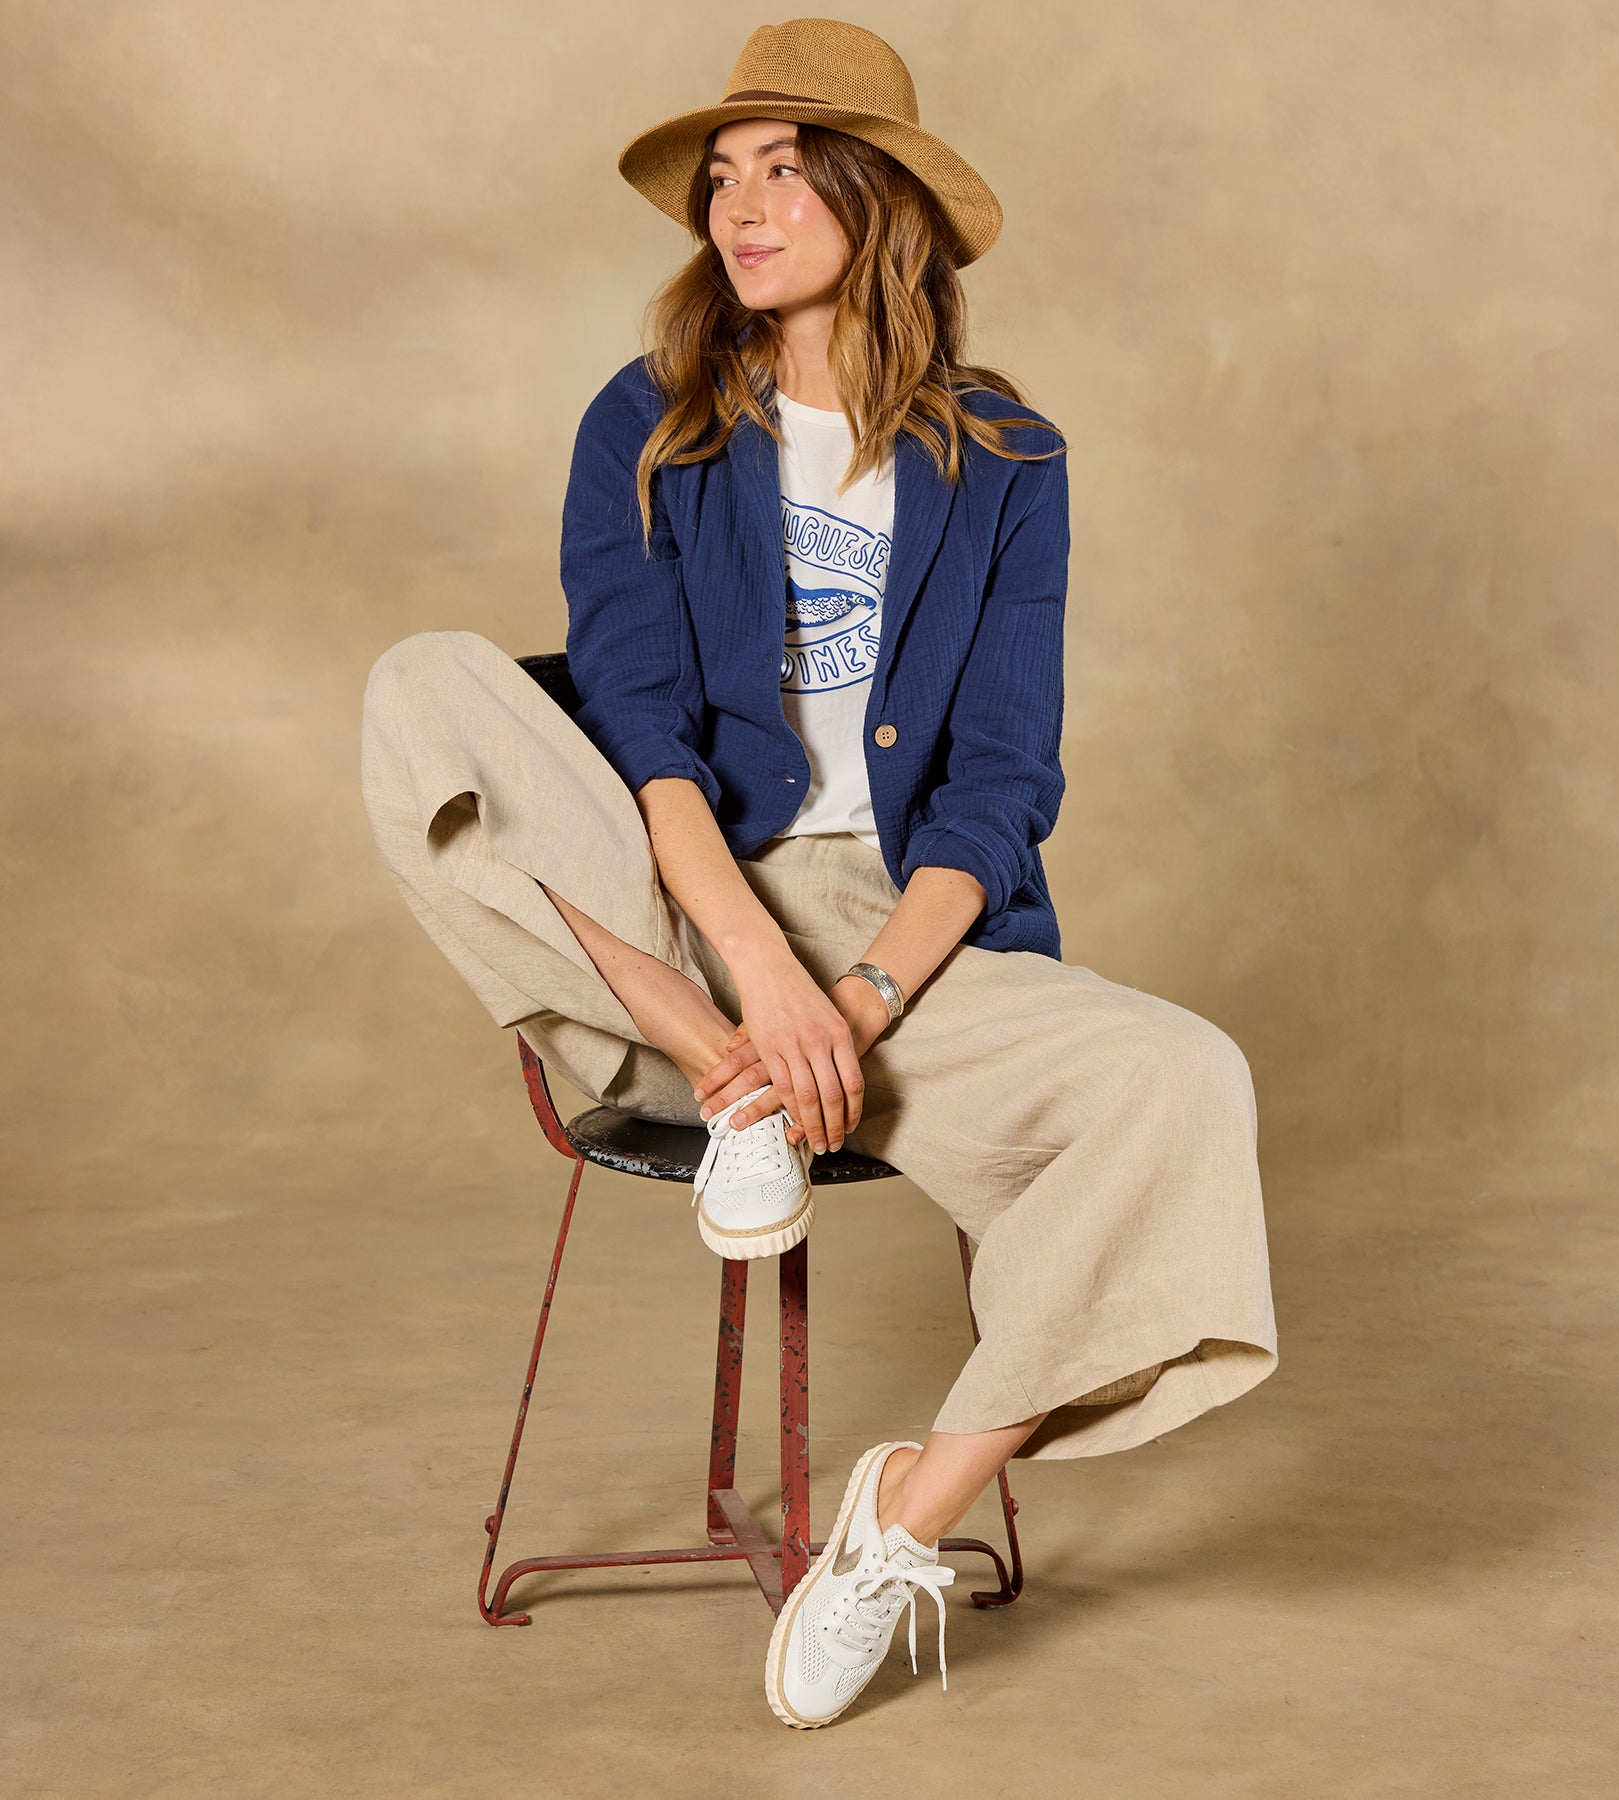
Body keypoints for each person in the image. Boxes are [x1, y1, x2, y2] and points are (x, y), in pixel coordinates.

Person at [359, 18, 1276, 1731]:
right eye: (725, 176)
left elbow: (998, 786)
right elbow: (637, 728)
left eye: (786, 169)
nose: (742, 205)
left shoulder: (1007, 461)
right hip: (675, 913)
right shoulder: (651, 422)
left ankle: (902, 1519)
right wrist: (759, 995)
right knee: (427, 685)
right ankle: (735, 1087)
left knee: (1186, 1079)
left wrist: (851, 998)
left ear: (880, 199)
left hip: (896, 940)